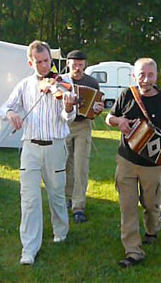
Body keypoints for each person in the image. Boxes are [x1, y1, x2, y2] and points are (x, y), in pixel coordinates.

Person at [0, 40, 76, 265]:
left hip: (55, 145)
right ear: (30, 62)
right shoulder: (24, 85)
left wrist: (69, 107)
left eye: (47, 61)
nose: (44, 66)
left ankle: (61, 233)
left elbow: (68, 118)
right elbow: (4, 107)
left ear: (51, 60)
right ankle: (29, 248)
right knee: (30, 198)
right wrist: (11, 114)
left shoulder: (64, 82)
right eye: (39, 62)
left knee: (57, 194)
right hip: (30, 147)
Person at [105, 58, 161, 268]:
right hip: (126, 160)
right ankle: (133, 250)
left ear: (157, 76)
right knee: (128, 207)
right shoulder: (127, 94)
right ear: (134, 76)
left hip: (152, 166)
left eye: (150, 75)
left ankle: (152, 230)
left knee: (151, 204)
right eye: (141, 75)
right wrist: (119, 121)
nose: (146, 79)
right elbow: (109, 118)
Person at [65, 50, 104, 223]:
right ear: (68, 64)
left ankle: (78, 206)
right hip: (64, 124)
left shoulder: (92, 82)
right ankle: (67, 197)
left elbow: (97, 105)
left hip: (83, 124)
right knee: (65, 163)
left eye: (81, 65)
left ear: (85, 65)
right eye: (74, 64)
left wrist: (97, 109)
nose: (77, 68)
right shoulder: (62, 81)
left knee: (81, 164)